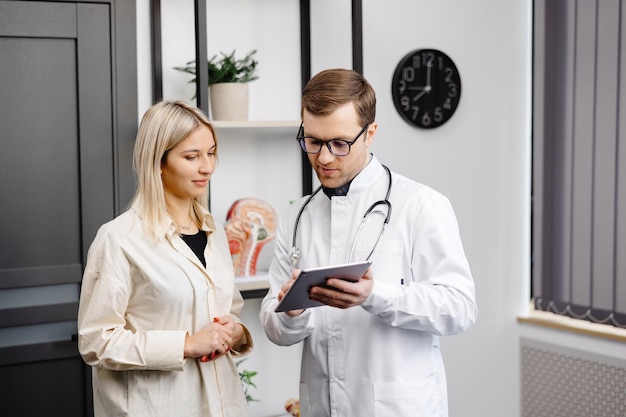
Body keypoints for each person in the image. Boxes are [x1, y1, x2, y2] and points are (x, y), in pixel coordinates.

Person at [259, 69, 477, 417]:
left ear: (370, 133)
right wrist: (292, 312)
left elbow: (460, 308)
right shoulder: (297, 217)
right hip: (322, 406)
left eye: (340, 143)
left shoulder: (420, 204)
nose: (324, 157)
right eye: (313, 141)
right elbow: (276, 329)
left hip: (399, 407)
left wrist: (376, 296)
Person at [78, 100, 253, 417]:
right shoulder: (119, 239)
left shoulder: (213, 231)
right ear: (158, 161)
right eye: (192, 156)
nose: (207, 167)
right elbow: (96, 341)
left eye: (211, 153)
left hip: (224, 405)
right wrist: (186, 345)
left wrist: (235, 332)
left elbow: (229, 308)